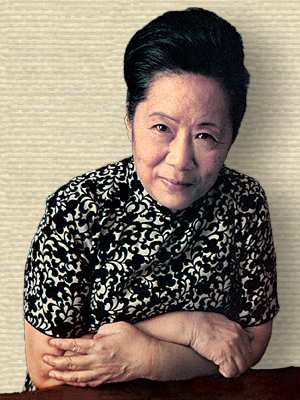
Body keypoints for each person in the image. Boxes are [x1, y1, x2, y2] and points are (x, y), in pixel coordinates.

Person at [23, 7, 279, 391]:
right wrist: (189, 329)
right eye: (161, 127)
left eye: (205, 135)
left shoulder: (245, 202)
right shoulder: (76, 209)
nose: (180, 161)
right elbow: (51, 371)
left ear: (231, 137)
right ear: (130, 120)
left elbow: (250, 341)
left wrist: (149, 357)